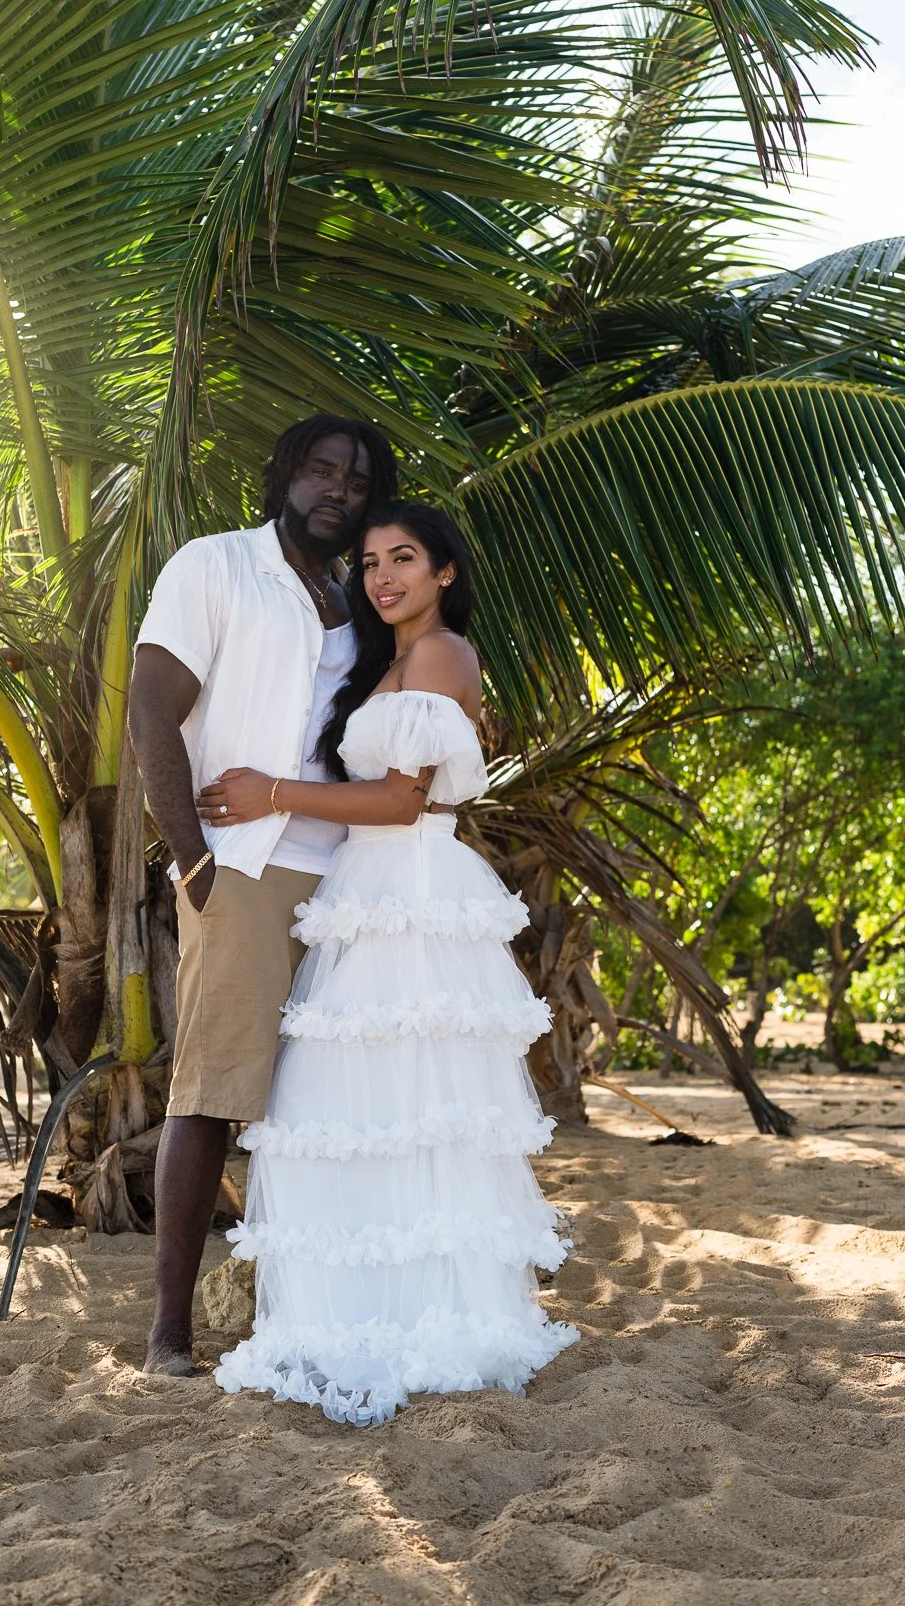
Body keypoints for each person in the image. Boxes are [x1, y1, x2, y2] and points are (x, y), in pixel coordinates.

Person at [196, 502, 578, 1423]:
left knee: (406, 1099)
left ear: (446, 572)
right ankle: (357, 1313)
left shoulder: (444, 655)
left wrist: (272, 795)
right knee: (348, 1101)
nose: (382, 576)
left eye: (403, 558)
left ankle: (421, 1320)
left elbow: (405, 803)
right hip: (365, 888)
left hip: (410, 886)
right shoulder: (387, 662)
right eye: (369, 562)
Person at [128, 413, 399, 1377]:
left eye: (356, 481)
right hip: (244, 865)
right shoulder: (217, 565)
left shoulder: (362, 594)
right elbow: (151, 707)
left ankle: (314, 1309)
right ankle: (169, 1334)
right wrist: (193, 857)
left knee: (328, 1101)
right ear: (284, 474)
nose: (337, 489)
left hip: (354, 873)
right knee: (213, 1090)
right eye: (322, 470)